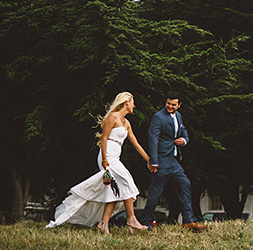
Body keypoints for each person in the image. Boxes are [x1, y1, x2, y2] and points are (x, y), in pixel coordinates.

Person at [47, 92, 151, 234]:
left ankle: (103, 223)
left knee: (114, 191)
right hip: (107, 156)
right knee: (127, 180)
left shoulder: (127, 123)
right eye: (133, 102)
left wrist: (149, 160)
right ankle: (131, 219)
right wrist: (104, 159)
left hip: (116, 157)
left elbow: (136, 144)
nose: (134, 105)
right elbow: (104, 138)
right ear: (126, 102)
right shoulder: (113, 117)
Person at [142, 91, 207, 231]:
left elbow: (184, 132)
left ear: (179, 105)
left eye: (173, 105)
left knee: (185, 184)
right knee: (155, 192)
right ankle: (146, 223)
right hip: (161, 161)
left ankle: (188, 221)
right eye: (168, 103)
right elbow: (152, 139)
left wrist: (184, 140)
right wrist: (153, 161)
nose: (170, 107)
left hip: (174, 160)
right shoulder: (158, 117)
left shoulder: (178, 116)